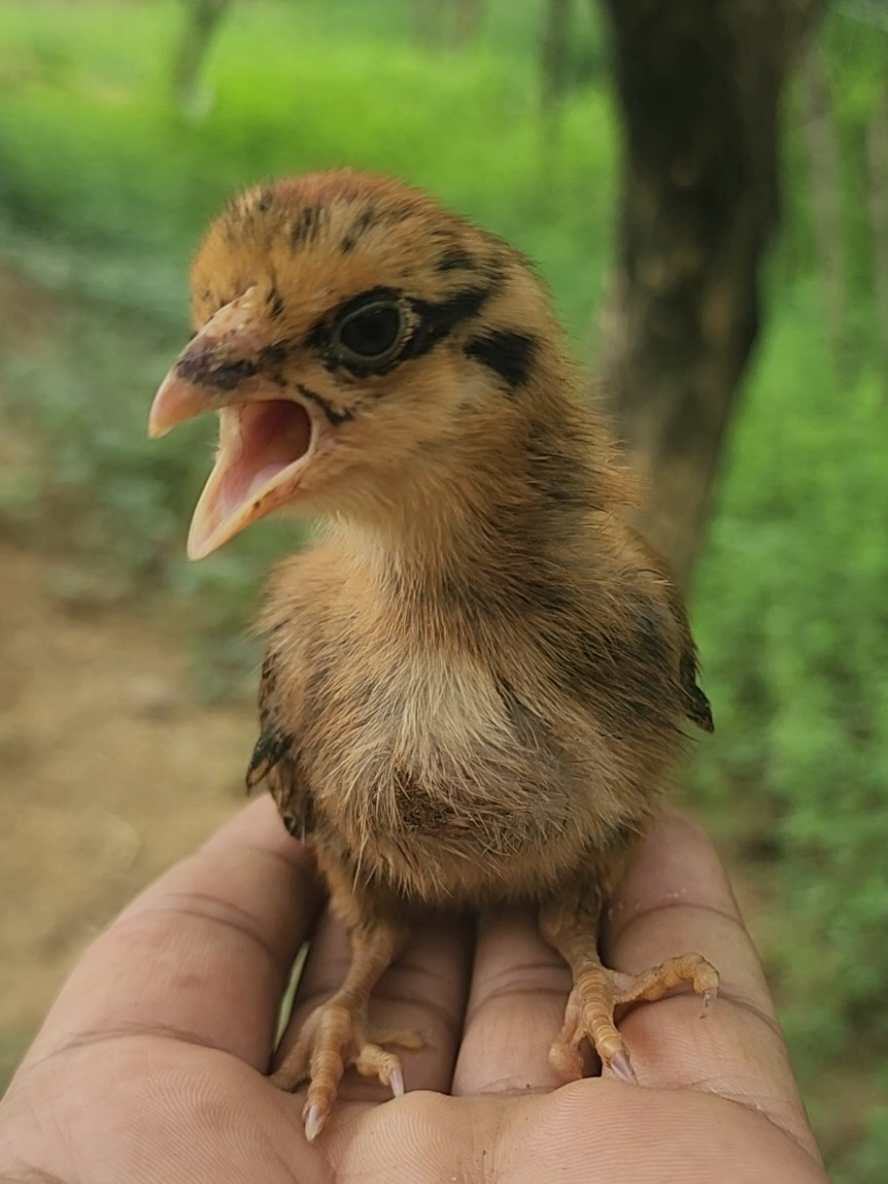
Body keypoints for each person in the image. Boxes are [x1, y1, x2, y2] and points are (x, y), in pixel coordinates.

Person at [0, 797, 828, 1183]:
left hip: (571, 849)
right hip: (381, 882)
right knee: (368, 918)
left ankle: (581, 953)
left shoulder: (616, 599)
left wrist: (586, 957)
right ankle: (354, 989)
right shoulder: (313, 633)